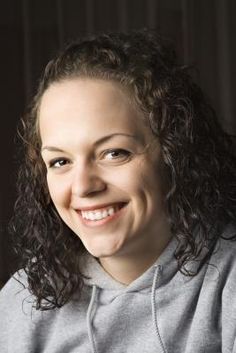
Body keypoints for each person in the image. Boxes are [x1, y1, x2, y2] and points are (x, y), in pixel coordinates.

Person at [0, 28, 236, 353]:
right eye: (59, 161)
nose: (83, 186)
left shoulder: (227, 282)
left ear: (174, 153)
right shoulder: (22, 300)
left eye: (114, 153)